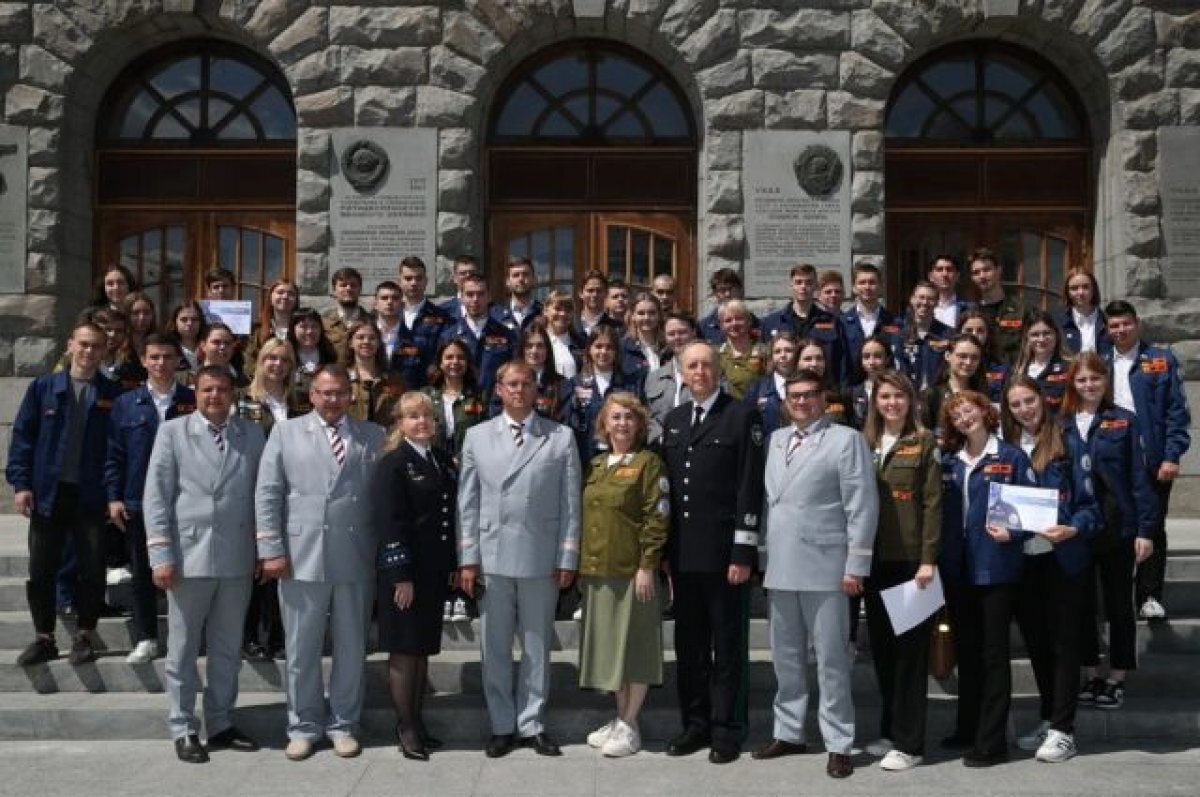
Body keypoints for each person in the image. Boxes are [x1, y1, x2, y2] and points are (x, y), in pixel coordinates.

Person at [255, 365, 387, 761]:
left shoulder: (373, 436)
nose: (332, 400)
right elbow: (268, 493)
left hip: (355, 557)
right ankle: (304, 725)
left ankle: (344, 723)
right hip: (300, 557)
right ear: (310, 395)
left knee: (351, 646)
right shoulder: (285, 432)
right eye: (324, 393)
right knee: (301, 648)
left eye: (340, 393)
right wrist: (271, 550)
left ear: (351, 395)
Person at [756, 369, 878, 779]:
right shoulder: (775, 440)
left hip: (827, 566)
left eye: (809, 395)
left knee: (831, 660)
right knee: (785, 658)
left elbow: (861, 505)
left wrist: (856, 564)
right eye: (795, 396)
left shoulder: (846, 440)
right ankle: (789, 730)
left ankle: (839, 741)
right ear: (785, 400)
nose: (802, 402)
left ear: (824, 398)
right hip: (781, 564)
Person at [141, 366, 267, 763]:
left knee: (228, 648)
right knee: (181, 650)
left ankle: (221, 721)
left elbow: (263, 495)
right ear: (195, 393)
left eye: (223, 389)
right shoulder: (173, 432)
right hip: (187, 557)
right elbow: (156, 497)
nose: (215, 396)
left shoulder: (252, 434)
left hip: (235, 558)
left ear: (233, 394)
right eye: (208, 390)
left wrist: (265, 548)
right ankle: (183, 726)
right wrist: (161, 554)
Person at [457, 361, 582, 758]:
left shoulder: (560, 437)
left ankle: (532, 723)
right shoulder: (476, 436)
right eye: (512, 384)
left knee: (536, 646)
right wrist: (468, 558)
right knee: (494, 647)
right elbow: (468, 502)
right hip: (492, 554)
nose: (519, 391)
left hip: (539, 554)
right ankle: (501, 724)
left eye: (527, 384)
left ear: (538, 391)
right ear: (498, 389)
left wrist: (567, 555)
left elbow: (570, 503)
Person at [660, 341, 765, 764]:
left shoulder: (742, 416)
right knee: (690, 648)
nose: (699, 371)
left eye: (706, 364)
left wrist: (743, 552)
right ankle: (696, 724)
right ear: (681, 372)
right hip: (683, 558)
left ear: (719, 370)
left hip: (726, 558)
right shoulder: (674, 419)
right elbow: (669, 490)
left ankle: (728, 728)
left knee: (728, 646)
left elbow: (749, 488)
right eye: (692, 365)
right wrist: (664, 552)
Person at [8, 322, 122, 667]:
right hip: (48, 494)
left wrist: (113, 493)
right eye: (84, 344)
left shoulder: (112, 394)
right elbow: (23, 438)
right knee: (42, 570)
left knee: (91, 568)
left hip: (91, 496)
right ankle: (44, 637)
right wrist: (22, 484)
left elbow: (117, 450)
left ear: (105, 351)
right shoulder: (43, 388)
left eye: (97, 346)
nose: (89, 352)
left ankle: (85, 635)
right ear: (71, 345)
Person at [1001, 376, 1100, 762]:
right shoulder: (1007, 449)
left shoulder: (1069, 442)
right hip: (1024, 560)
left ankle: (1064, 730)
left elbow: (1091, 505)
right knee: (1038, 644)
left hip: (1063, 558)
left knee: (1063, 645)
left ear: (1042, 400)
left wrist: (1073, 527)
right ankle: (1049, 717)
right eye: (1015, 405)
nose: (1024, 409)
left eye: (1029, 401)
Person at [937, 390, 1035, 767]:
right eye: (956, 414)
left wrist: (1017, 533)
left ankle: (992, 742)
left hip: (995, 567)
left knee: (994, 655)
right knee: (967, 653)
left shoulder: (1010, 456)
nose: (964, 417)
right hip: (958, 569)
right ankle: (968, 728)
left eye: (969, 409)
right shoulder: (950, 461)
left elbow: (1033, 509)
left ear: (985, 412)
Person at [1062, 353, 1159, 711]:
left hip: (1118, 528)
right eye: (1081, 379)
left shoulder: (1124, 422)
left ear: (1105, 381)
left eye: (1095, 379)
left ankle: (1117, 676)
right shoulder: (1063, 424)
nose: (1088, 385)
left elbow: (1139, 478)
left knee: (1119, 606)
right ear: (1073, 383)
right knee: (1082, 606)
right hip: (1078, 532)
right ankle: (1091, 674)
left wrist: (1146, 529)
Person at [578, 393, 669, 758]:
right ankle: (620, 718)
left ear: (639, 424)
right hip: (600, 571)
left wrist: (648, 565)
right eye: (615, 417)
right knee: (612, 650)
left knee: (636, 649)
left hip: (633, 572)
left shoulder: (649, 464)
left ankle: (631, 723)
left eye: (630, 418)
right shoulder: (597, 465)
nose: (622, 424)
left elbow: (657, 517)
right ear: (604, 423)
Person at [860, 370, 940, 771]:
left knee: (910, 656)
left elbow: (932, 504)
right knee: (885, 652)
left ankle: (911, 744)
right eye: (884, 396)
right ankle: (891, 730)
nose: (891, 403)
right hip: (874, 561)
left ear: (911, 401)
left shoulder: (924, 442)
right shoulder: (866, 442)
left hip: (911, 562)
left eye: (898, 396)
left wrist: (928, 558)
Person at [372, 392, 459, 760]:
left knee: (422, 648)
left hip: (434, 570)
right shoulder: (393, 463)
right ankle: (405, 726)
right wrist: (400, 575)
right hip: (405, 573)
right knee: (405, 650)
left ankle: (418, 721)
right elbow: (391, 523)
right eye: (412, 416)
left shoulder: (440, 460)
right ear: (399, 424)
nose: (422, 422)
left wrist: (452, 563)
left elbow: (446, 517)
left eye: (427, 416)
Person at [105, 333, 196, 665]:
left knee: (186, 573)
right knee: (143, 572)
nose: (161, 363)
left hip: (186, 501)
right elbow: (113, 455)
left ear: (178, 361)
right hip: (139, 501)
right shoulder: (126, 404)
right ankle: (146, 637)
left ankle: (186, 636)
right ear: (143, 360)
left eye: (168, 357)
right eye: (154, 357)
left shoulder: (192, 400)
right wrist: (113, 497)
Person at [1103, 300, 1191, 620]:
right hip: (1112, 461)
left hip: (1152, 460)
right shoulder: (1100, 363)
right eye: (1114, 326)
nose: (1121, 330)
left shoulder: (1159, 360)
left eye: (1126, 323)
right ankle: (1115, 595)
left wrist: (1171, 455)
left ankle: (1149, 595)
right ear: (1107, 329)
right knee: (1116, 527)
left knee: (1152, 526)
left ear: (1136, 323)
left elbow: (1176, 414)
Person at [236, 338, 298, 661]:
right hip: (251, 490)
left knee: (280, 568)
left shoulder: (299, 403)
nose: (277, 365)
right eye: (271, 358)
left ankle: (277, 635)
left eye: (284, 360)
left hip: (291, 493)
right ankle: (249, 635)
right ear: (260, 361)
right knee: (255, 568)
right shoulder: (242, 401)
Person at [761, 263, 849, 385]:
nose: (803, 287)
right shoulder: (771, 322)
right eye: (798, 282)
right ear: (791, 285)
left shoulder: (831, 322)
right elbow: (764, 363)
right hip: (782, 392)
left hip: (820, 390)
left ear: (815, 287)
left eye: (808, 282)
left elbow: (842, 363)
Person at [565, 326, 640, 463]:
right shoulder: (575, 383)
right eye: (598, 346)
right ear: (589, 350)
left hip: (622, 457)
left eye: (609, 347)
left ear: (616, 351)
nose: (603, 352)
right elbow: (569, 421)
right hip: (585, 457)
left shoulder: (629, 385)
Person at [437, 272, 518, 395]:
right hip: (462, 405)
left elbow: (514, 372)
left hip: (495, 405)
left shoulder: (507, 335)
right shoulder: (449, 336)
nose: (475, 299)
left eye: (480, 294)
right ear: (461, 298)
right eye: (470, 294)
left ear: (489, 297)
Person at [391, 257, 454, 389]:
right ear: (399, 281)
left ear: (426, 281)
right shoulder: (388, 314)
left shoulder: (442, 318)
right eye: (408, 278)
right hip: (392, 389)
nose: (414, 283)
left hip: (428, 389)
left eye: (418, 278)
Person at [969, 247, 1029, 364]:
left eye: (987, 270)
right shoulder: (970, 314)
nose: (982, 276)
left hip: (1013, 376)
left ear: (998, 270)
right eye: (976, 272)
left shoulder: (1022, 310)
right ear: (972, 278)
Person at [644, 312, 698, 443]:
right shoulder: (654, 377)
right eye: (671, 334)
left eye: (682, 332)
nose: (677, 337)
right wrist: (661, 437)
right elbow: (647, 415)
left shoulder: (710, 373)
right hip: (663, 447)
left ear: (693, 333)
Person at [922, 333, 988, 437]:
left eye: (975, 358)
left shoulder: (983, 395)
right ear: (948, 356)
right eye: (962, 356)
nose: (968, 362)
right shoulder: (932, 395)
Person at [341, 320, 405, 426]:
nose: (366, 341)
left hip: (386, 439)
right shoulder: (341, 378)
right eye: (360, 337)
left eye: (372, 338)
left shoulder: (394, 379)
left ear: (379, 343)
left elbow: (403, 413)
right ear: (350, 343)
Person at [893, 281, 952, 393]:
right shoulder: (899, 333)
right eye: (921, 297)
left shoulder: (947, 334)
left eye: (930, 299)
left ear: (937, 302)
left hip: (937, 396)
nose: (925, 302)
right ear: (912, 299)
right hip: (906, 395)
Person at [840, 262, 898, 366]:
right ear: (854, 287)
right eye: (862, 282)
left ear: (880, 286)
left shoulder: (893, 322)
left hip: (883, 380)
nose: (867, 287)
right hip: (853, 381)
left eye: (872, 282)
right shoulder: (842, 322)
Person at [1013, 312, 1072, 414]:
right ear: (1027, 337)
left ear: (1056, 335)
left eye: (1047, 333)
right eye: (1035, 334)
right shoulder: (1017, 370)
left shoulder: (1070, 367)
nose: (1041, 339)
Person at [743, 331, 800, 433]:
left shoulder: (807, 385)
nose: (783, 355)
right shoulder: (757, 388)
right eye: (777, 351)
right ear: (772, 356)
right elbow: (746, 424)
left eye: (788, 350)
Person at [287, 307, 338, 415]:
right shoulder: (285, 356)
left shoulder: (331, 356)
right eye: (303, 327)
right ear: (293, 329)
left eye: (314, 326)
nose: (309, 331)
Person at [244, 280, 299, 377]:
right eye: (280, 292)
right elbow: (250, 361)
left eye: (290, 294)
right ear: (270, 297)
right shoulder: (257, 330)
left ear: (296, 300)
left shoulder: (303, 329)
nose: (285, 296)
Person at [717, 299, 769, 401]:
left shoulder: (764, 351)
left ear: (749, 321)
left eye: (739, 318)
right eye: (728, 320)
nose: (734, 323)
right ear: (722, 326)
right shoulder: (716, 355)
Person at [1057, 268, 1111, 357]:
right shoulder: (1058, 323)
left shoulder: (1107, 321)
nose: (1080, 292)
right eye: (1074, 288)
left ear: (1093, 289)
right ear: (1068, 292)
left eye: (1086, 287)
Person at [959, 310, 1009, 403]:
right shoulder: (950, 365)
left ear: (988, 334)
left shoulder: (1000, 369)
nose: (974, 335)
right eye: (969, 330)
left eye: (980, 330)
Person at [848, 335, 896, 429]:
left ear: (887, 359)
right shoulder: (853, 393)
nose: (871, 362)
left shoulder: (898, 390)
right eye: (866, 357)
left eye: (877, 356)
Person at [699, 268, 756, 344]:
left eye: (731, 289)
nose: (727, 294)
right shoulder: (704, 327)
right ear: (715, 294)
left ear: (740, 290)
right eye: (722, 290)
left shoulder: (755, 323)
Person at [621, 293, 669, 382]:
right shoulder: (622, 348)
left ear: (659, 315)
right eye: (641, 313)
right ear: (633, 316)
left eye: (652, 313)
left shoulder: (668, 348)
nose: (646, 318)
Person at [321, 267, 370, 351]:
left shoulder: (371, 321)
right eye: (343, 285)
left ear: (360, 289)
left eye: (353, 285)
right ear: (334, 290)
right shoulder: (323, 322)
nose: (348, 288)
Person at [490, 256, 543, 333]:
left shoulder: (543, 312)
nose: (521, 279)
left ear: (534, 280)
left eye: (525, 274)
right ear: (507, 282)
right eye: (516, 275)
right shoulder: (494, 314)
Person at [543, 290, 582, 379]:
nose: (563, 314)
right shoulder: (536, 342)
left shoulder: (580, 343)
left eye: (568, 310)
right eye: (557, 309)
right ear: (545, 310)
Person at [198, 323, 249, 390]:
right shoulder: (190, 379)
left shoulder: (246, 383)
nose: (222, 347)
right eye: (216, 342)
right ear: (203, 345)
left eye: (227, 343)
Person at [929, 254, 970, 331]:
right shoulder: (923, 307)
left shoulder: (968, 309)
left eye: (949, 269)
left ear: (957, 276)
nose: (945, 274)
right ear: (931, 276)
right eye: (939, 269)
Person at [574, 270, 620, 338]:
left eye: (599, 290)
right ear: (581, 293)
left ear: (606, 293)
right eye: (590, 290)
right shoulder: (571, 325)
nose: (595, 295)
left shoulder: (616, 327)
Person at [165, 300, 207, 376]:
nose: (189, 323)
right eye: (184, 319)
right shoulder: (167, 349)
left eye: (194, 319)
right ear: (175, 322)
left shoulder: (209, 347)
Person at [438, 254, 483, 318]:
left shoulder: (495, 312)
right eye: (463, 273)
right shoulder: (442, 312)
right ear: (454, 278)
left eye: (472, 273)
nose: (468, 276)